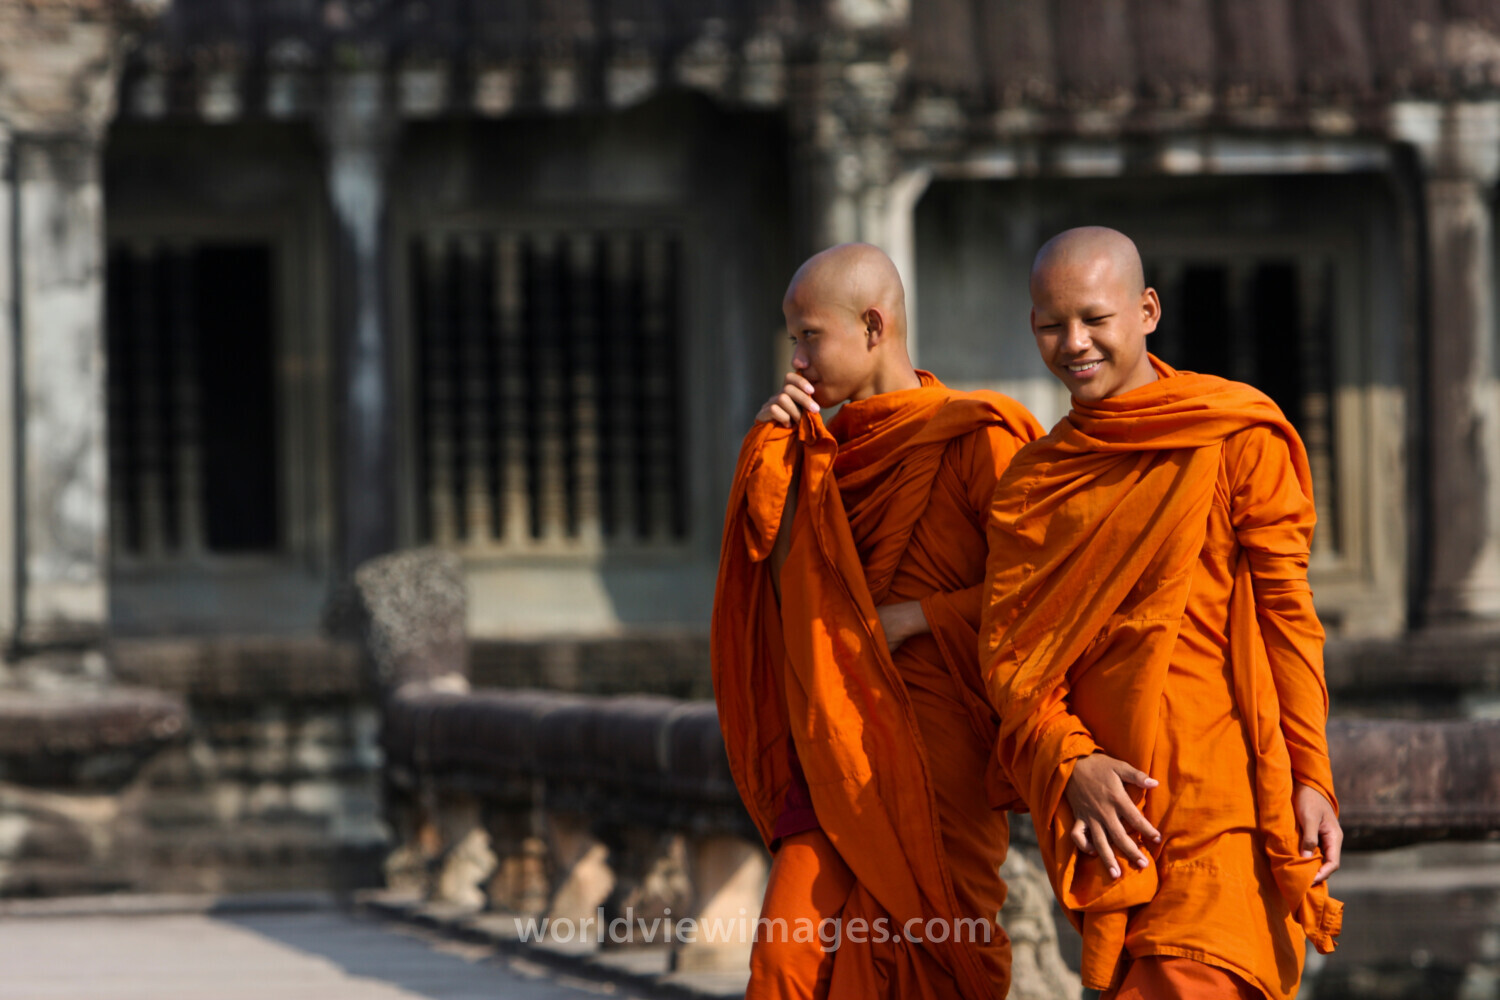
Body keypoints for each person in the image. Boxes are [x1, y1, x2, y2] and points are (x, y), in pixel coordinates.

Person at [980, 227, 1343, 1000]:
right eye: (1051, 324)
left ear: (1146, 310)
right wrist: (1070, 759)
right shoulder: (1036, 483)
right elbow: (1013, 656)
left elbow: (1287, 615)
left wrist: (1313, 774)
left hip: (1223, 796)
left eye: (1094, 319)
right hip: (1112, 815)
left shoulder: (1233, 434)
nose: (1073, 343)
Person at [711, 242, 1044, 999]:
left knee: (942, 955)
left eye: (808, 336)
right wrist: (767, 453)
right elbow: (769, 576)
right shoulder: (816, 452)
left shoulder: (975, 437)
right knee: (783, 960)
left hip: (943, 752)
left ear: (871, 326)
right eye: (791, 337)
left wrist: (917, 618)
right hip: (835, 746)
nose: (795, 358)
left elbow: (1040, 596)